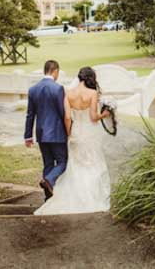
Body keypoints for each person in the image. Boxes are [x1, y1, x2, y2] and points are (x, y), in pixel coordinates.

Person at [34, 66, 112, 215]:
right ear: (90, 78)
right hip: (89, 134)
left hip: (76, 134)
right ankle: (91, 197)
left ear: (79, 77)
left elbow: (67, 117)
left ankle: (73, 195)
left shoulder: (68, 93)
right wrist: (105, 114)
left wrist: (69, 134)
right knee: (93, 164)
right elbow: (93, 117)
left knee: (76, 166)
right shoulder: (93, 93)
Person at [24, 60, 68, 201]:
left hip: (41, 134)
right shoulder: (58, 89)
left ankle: (48, 197)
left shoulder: (33, 89)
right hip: (57, 134)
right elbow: (63, 113)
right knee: (63, 162)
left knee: (48, 163)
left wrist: (28, 136)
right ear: (55, 71)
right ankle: (48, 180)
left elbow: (30, 114)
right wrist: (69, 130)